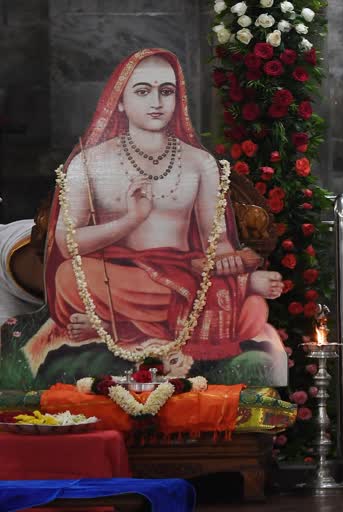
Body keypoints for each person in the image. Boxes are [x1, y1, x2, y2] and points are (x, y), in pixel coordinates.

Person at [24, 49, 286, 385]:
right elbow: (68, 242)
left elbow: (214, 240)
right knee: (67, 278)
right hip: (116, 276)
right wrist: (131, 221)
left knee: (252, 311)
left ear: (178, 100)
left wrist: (234, 273)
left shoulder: (199, 163)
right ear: (119, 102)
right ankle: (127, 322)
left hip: (185, 272)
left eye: (166, 91)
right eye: (143, 91)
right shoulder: (90, 163)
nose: (157, 101)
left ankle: (112, 325)